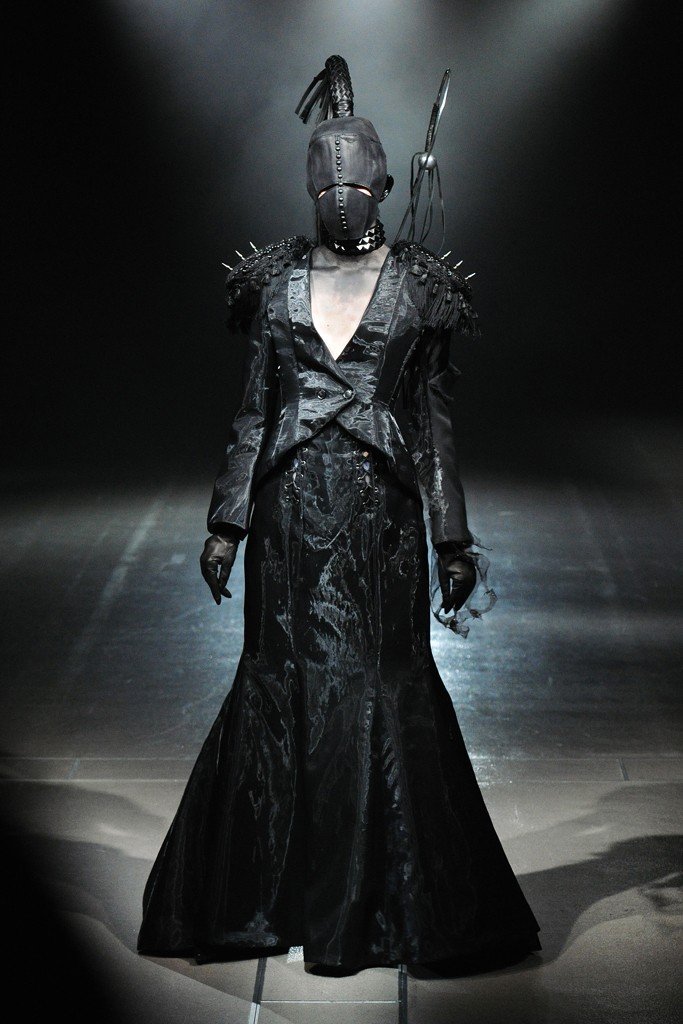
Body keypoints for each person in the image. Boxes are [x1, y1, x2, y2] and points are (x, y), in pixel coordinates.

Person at [137, 56, 541, 972]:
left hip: (378, 524)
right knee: (281, 684)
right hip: (287, 523)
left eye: (357, 187)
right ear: (311, 188)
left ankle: (383, 903)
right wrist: (226, 524)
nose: (344, 201)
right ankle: (265, 895)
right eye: (329, 187)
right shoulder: (273, 283)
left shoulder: (420, 285)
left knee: (380, 688)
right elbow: (254, 411)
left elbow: (432, 426)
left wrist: (451, 539)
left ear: (383, 185)